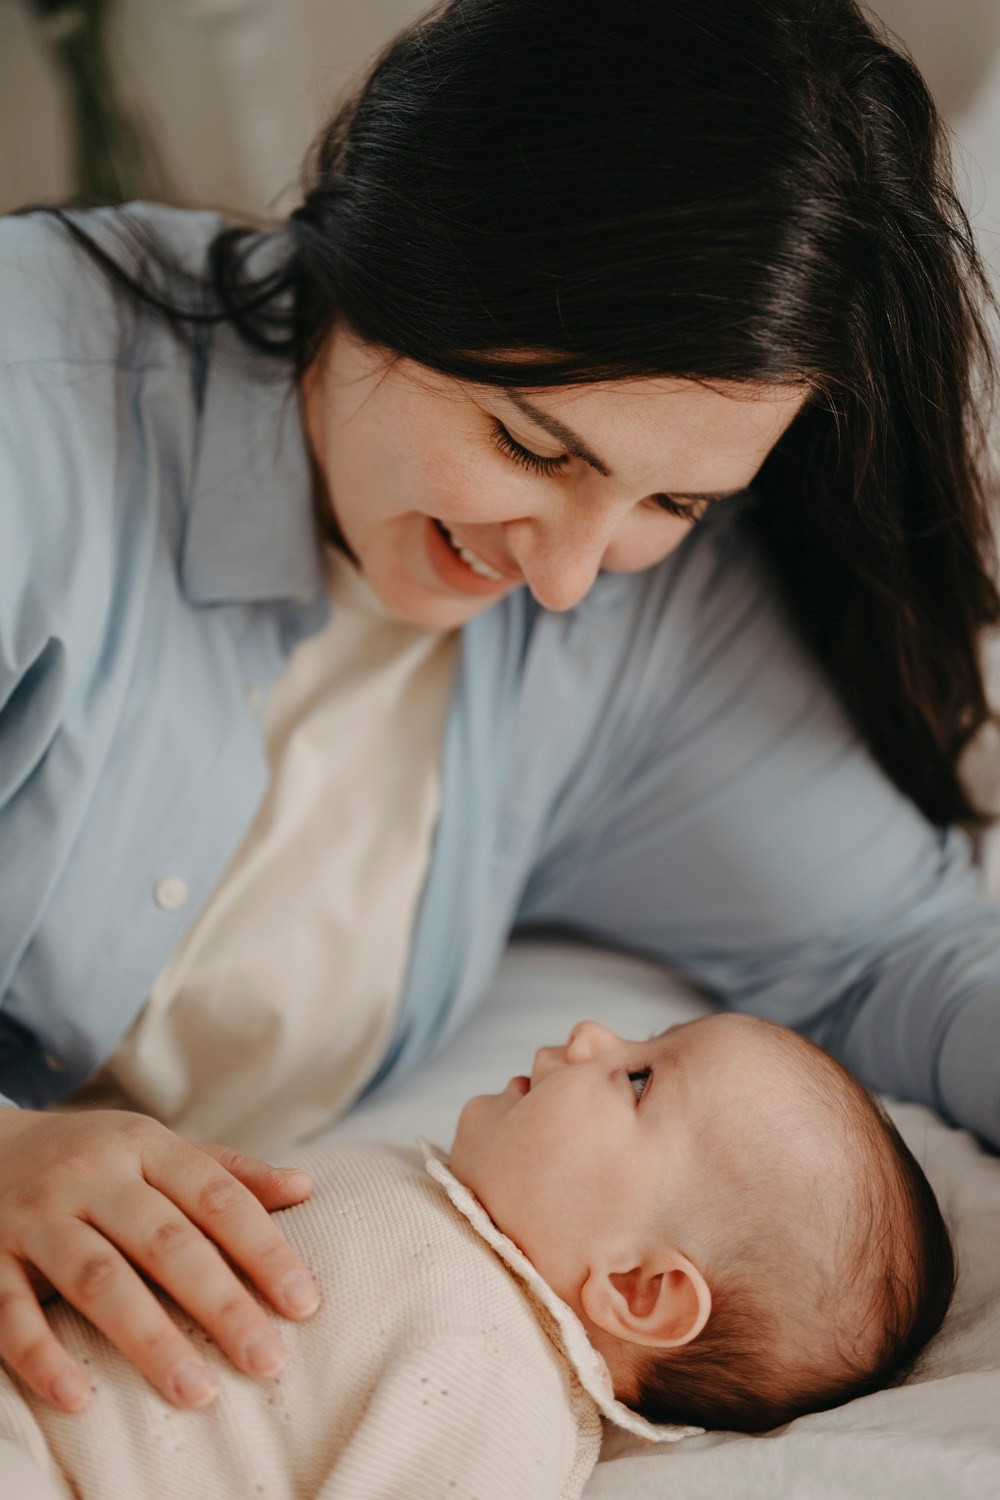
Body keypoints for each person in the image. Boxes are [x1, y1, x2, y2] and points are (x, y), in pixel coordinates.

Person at [0, 0, 995, 1422]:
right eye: (534, 445)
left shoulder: (646, 628)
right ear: (399, 251)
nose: (573, 575)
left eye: (672, 499)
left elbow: (887, 955)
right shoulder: (28, 416)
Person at [0, 1015, 955, 1499]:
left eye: (636, 1076)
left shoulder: (500, 1397)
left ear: (638, 1287)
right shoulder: (414, 1180)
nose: (588, 1035)